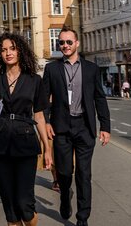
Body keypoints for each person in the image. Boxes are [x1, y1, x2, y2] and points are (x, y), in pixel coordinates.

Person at [43, 28, 111, 226]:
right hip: (61, 127)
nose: (65, 46)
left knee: (84, 174)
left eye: (68, 42)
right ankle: (65, 196)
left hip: (84, 126)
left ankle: (83, 218)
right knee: (64, 172)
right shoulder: (52, 69)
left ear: (77, 43)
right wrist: (46, 121)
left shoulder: (91, 68)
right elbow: (44, 98)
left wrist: (105, 126)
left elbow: (99, 97)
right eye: (61, 43)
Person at [0, 32, 52, 226]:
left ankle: (29, 219)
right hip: (0, 142)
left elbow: (38, 115)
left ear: (20, 50)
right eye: (3, 50)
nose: (8, 53)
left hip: (26, 142)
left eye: (12, 48)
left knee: (24, 202)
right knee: (9, 203)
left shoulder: (34, 80)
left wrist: (47, 148)